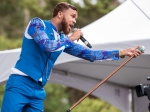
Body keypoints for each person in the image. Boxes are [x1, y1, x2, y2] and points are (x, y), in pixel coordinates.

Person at [1, 2, 143, 112]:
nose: (75, 21)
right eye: (72, 16)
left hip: (38, 91)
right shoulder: (37, 24)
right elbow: (46, 45)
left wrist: (123, 52)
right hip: (20, 83)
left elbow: (91, 55)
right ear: (60, 14)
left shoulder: (63, 39)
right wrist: (70, 39)